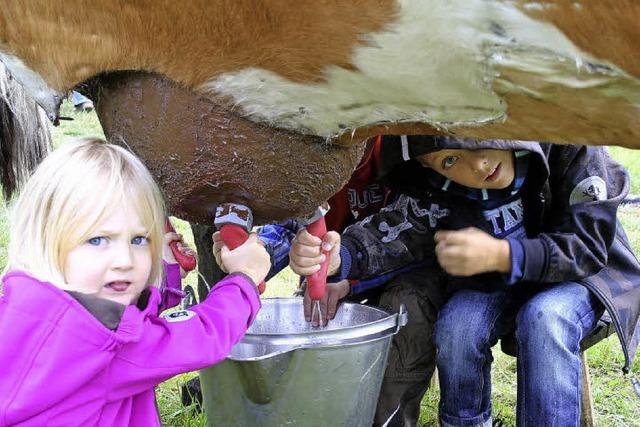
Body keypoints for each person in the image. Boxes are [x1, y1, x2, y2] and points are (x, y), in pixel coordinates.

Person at [290, 135, 640, 427]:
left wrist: (503, 255)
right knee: (458, 326)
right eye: (448, 161)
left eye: (478, 142)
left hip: (589, 279)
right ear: (430, 168)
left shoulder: (564, 140)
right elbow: (397, 232)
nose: (477, 165)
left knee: (546, 319)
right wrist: (340, 258)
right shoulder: (442, 189)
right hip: (502, 283)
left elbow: (588, 246)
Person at [0, 138, 270, 426]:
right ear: (45, 241)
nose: (125, 260)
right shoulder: (106, 344)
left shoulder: (21, 312)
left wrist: (165, 273)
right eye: (98, 240)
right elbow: (202, 337)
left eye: (138, 239)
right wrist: (245, 280)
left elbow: (130, 320)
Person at [213, 135, 439, 426]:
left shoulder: (404, 149)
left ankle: (390, 419)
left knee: (410, 308)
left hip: (404, 274)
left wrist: (347, 271)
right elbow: (287, 225)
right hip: (331, 276)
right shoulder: (311, 158)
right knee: (314, 323)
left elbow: (417, 232)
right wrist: (252, 257)